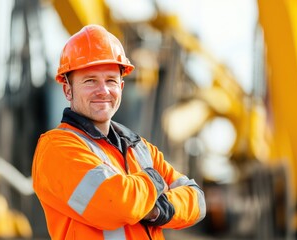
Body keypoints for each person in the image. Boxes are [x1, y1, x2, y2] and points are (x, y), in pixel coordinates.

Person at [32, 24, 206, 240]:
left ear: (121, 88)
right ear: (68, 89)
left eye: (111, 81)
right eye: (90, 81)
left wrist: (156, 209)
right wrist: (154, 178)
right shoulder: (57, 148)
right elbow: (117, 204)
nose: (103, 91)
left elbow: (197, 200)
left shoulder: (139, 147)